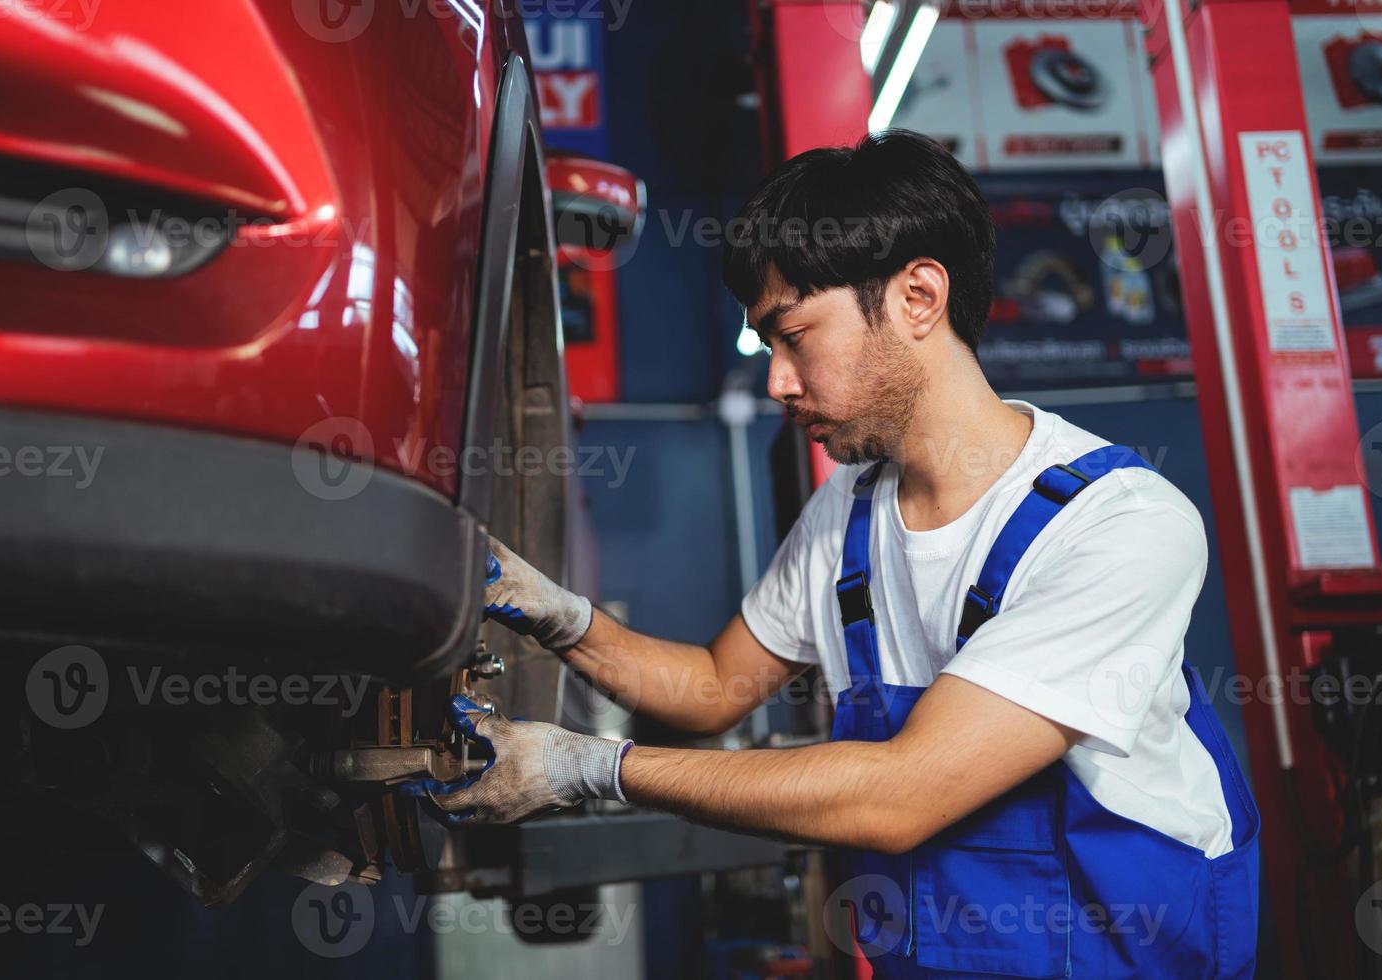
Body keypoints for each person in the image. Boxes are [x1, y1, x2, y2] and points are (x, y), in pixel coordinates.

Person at [410, 130, 1260, 977]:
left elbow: (905, 793)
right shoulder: (848, 515)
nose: (778, 380)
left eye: (794, 336)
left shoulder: (1117, 523)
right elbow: (714, 688)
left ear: (919, 296)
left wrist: (584, 765)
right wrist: (559, 615)